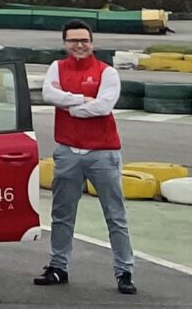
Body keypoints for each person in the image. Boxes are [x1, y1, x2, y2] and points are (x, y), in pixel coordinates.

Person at [38, 21, 134, 294]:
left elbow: (104, 107)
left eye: (84, 40)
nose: (79, 45)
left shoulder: (108, 72)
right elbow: (48, 94)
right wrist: (82, 100)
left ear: (92, 43)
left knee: (115, 214)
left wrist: (71, 106)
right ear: (65, 43)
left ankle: (124, 271)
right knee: (61, 213)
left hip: (103, 153)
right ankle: (58, 267)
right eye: (73, 41)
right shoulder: (57, 67)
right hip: (67, 151)